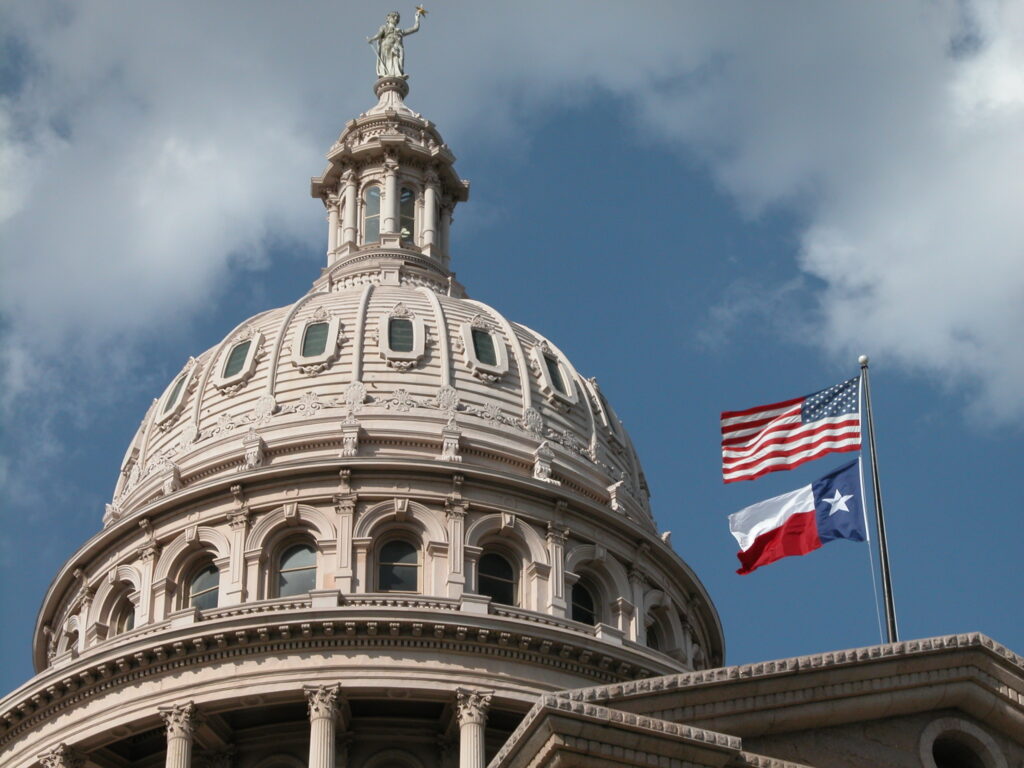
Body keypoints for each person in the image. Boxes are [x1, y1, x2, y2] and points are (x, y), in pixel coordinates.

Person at [367, 9, 423, 79]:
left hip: (397, 47)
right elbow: (379, 35)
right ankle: (386, 74)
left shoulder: (399, 31)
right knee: (388, 61)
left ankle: (398, 74)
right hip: (387, 46)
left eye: (397, 18)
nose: (396, 19)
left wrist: (417, 19)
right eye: (394, 17)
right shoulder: (384, 27)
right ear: (389, 18)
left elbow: (415, 28)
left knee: (397, 61)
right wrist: (372, 39)